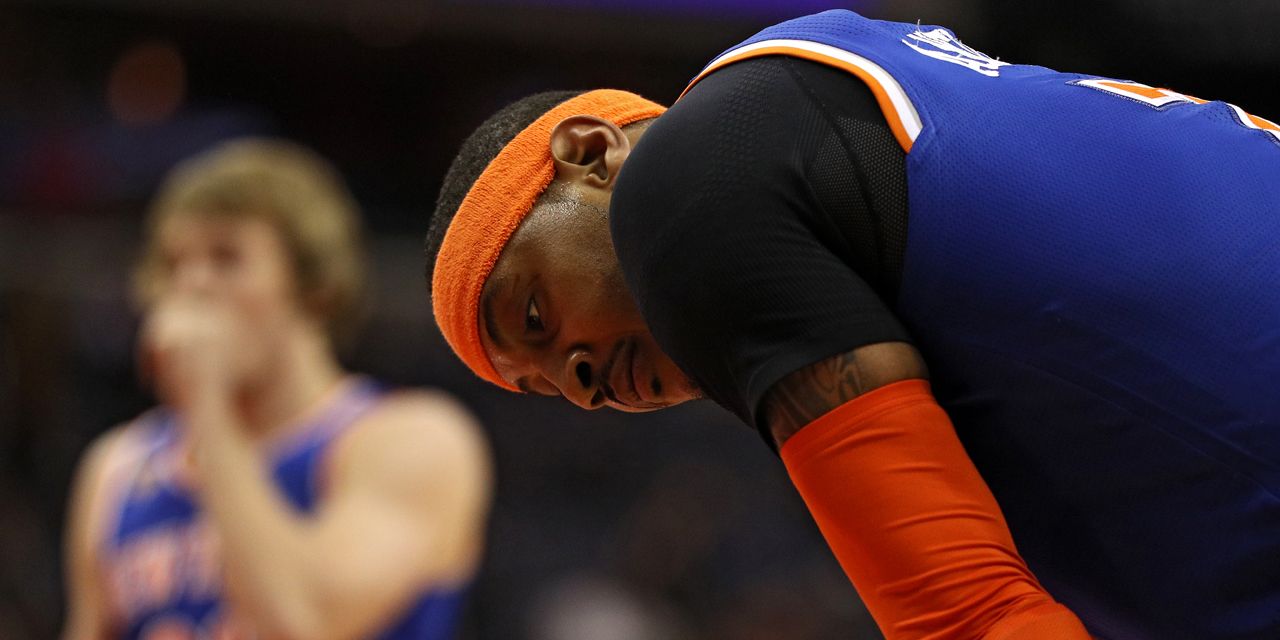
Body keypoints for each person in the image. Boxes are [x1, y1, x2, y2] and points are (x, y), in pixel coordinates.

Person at [424, 9, 1280, 640]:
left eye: (535, 316)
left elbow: (969, 617)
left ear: (591, 151)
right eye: (545, 389)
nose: (579, 383)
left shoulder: (682, 190)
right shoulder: (834, 79)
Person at [63, 139, 493, 640]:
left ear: (315, 285)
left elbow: (305, 621)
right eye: (174, 264)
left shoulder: (409, 440)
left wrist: (207, 406)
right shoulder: (118, 468)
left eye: (226, 258)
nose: (193, 285)